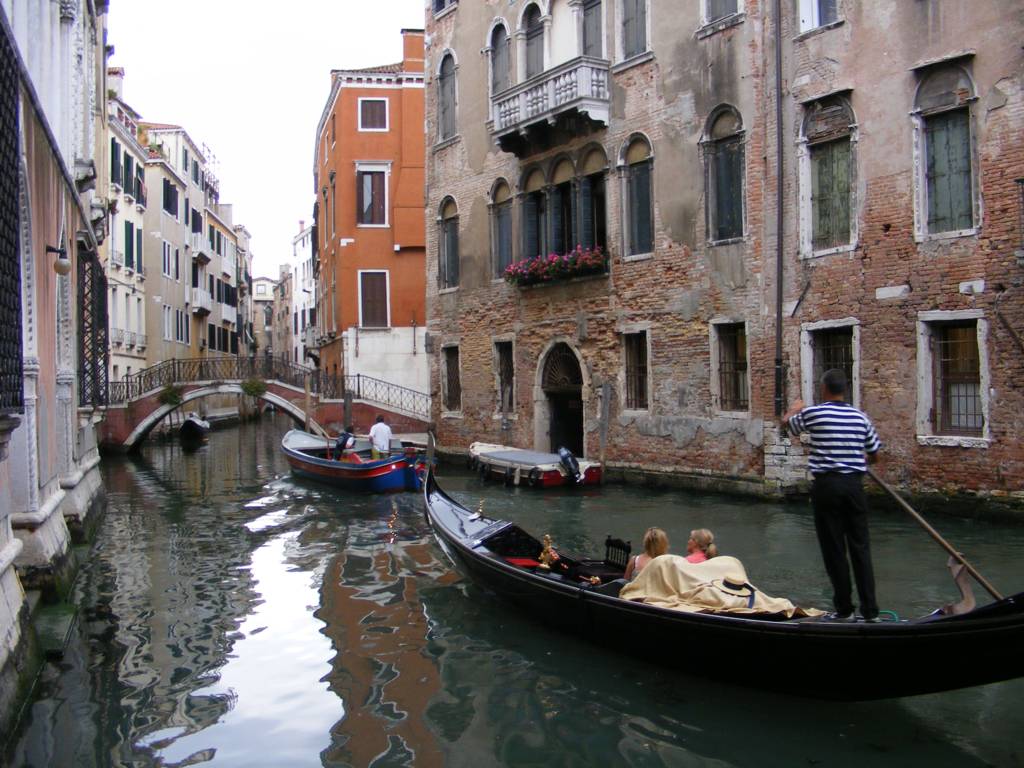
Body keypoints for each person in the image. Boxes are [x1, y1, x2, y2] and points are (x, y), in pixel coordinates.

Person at [784, 368, 881, 622]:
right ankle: (871, 613)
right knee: (861, 548)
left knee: (834, 549)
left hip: (827, 487)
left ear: (824, 389)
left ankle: (844, 610)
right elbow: (874, 452)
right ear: (844, 390)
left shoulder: (814, 413)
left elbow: (787, 426)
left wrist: (794, 409)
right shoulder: (861, 417)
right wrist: (863, 459)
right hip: (853, 486)